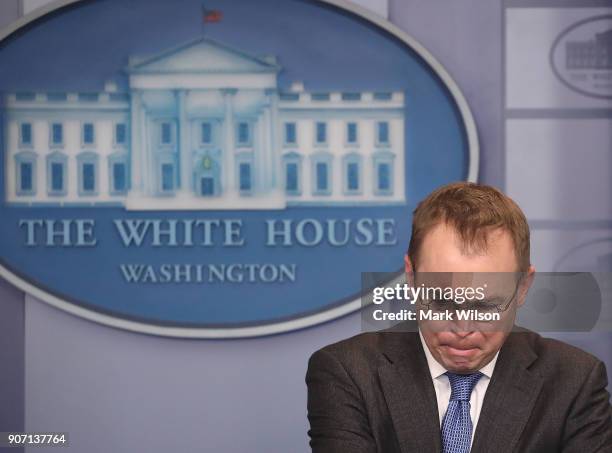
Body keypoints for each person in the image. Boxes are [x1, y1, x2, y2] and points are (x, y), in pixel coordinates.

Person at [306, 182, 612, 453]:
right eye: (441, 303)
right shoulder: (349, 372)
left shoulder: (574, 381)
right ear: (411, 278)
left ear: (523, 288)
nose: (462, 328)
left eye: (485, 307)